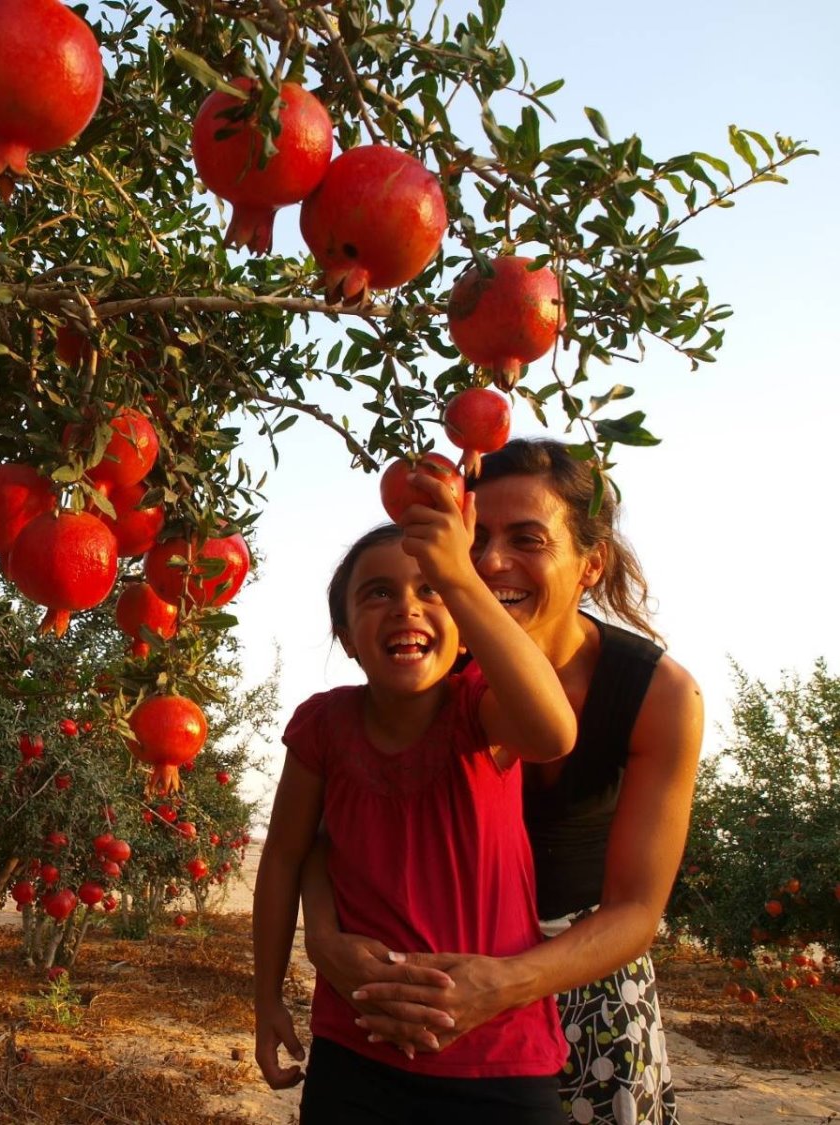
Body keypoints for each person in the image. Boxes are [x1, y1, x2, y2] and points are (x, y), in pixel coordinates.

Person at [297, 439, 703, 1125]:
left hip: (586, 988)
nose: (488, 562)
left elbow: (636, 909)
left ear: (590, 563)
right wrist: (326, 938)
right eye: (475, 537)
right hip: (427, 996)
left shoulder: (657, 694)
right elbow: (325, 826)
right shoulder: (427, 663)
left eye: (528, 539)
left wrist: (507, 981)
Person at [253, 469, 579, 1124]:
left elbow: (554, 732)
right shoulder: (323, 726)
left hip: (499, 1058)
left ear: (464, 626)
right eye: (377, 593)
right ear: (345, 636)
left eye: (430, 591)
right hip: (358, 1048)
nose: (406, 606)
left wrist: (462, 576)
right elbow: (286, 855)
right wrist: (266, 998)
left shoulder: (481, 707)